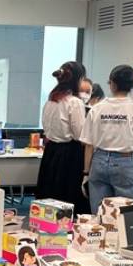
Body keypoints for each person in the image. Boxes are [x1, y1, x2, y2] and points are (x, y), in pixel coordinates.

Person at [81, 65, 133, 213]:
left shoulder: (96, 109)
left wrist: (86, 173)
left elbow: (89, 144)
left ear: (112, 83)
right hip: (126, 162)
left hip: (99, 161)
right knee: (127, 215)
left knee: (99, 213)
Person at [36, 61, 88, 214]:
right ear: (78, 79)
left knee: (50, 192)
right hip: (69, 154)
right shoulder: (74, 102)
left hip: (51, 150)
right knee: (67, 196)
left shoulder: (51, 100)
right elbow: (80, 134)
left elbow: (46, 127)